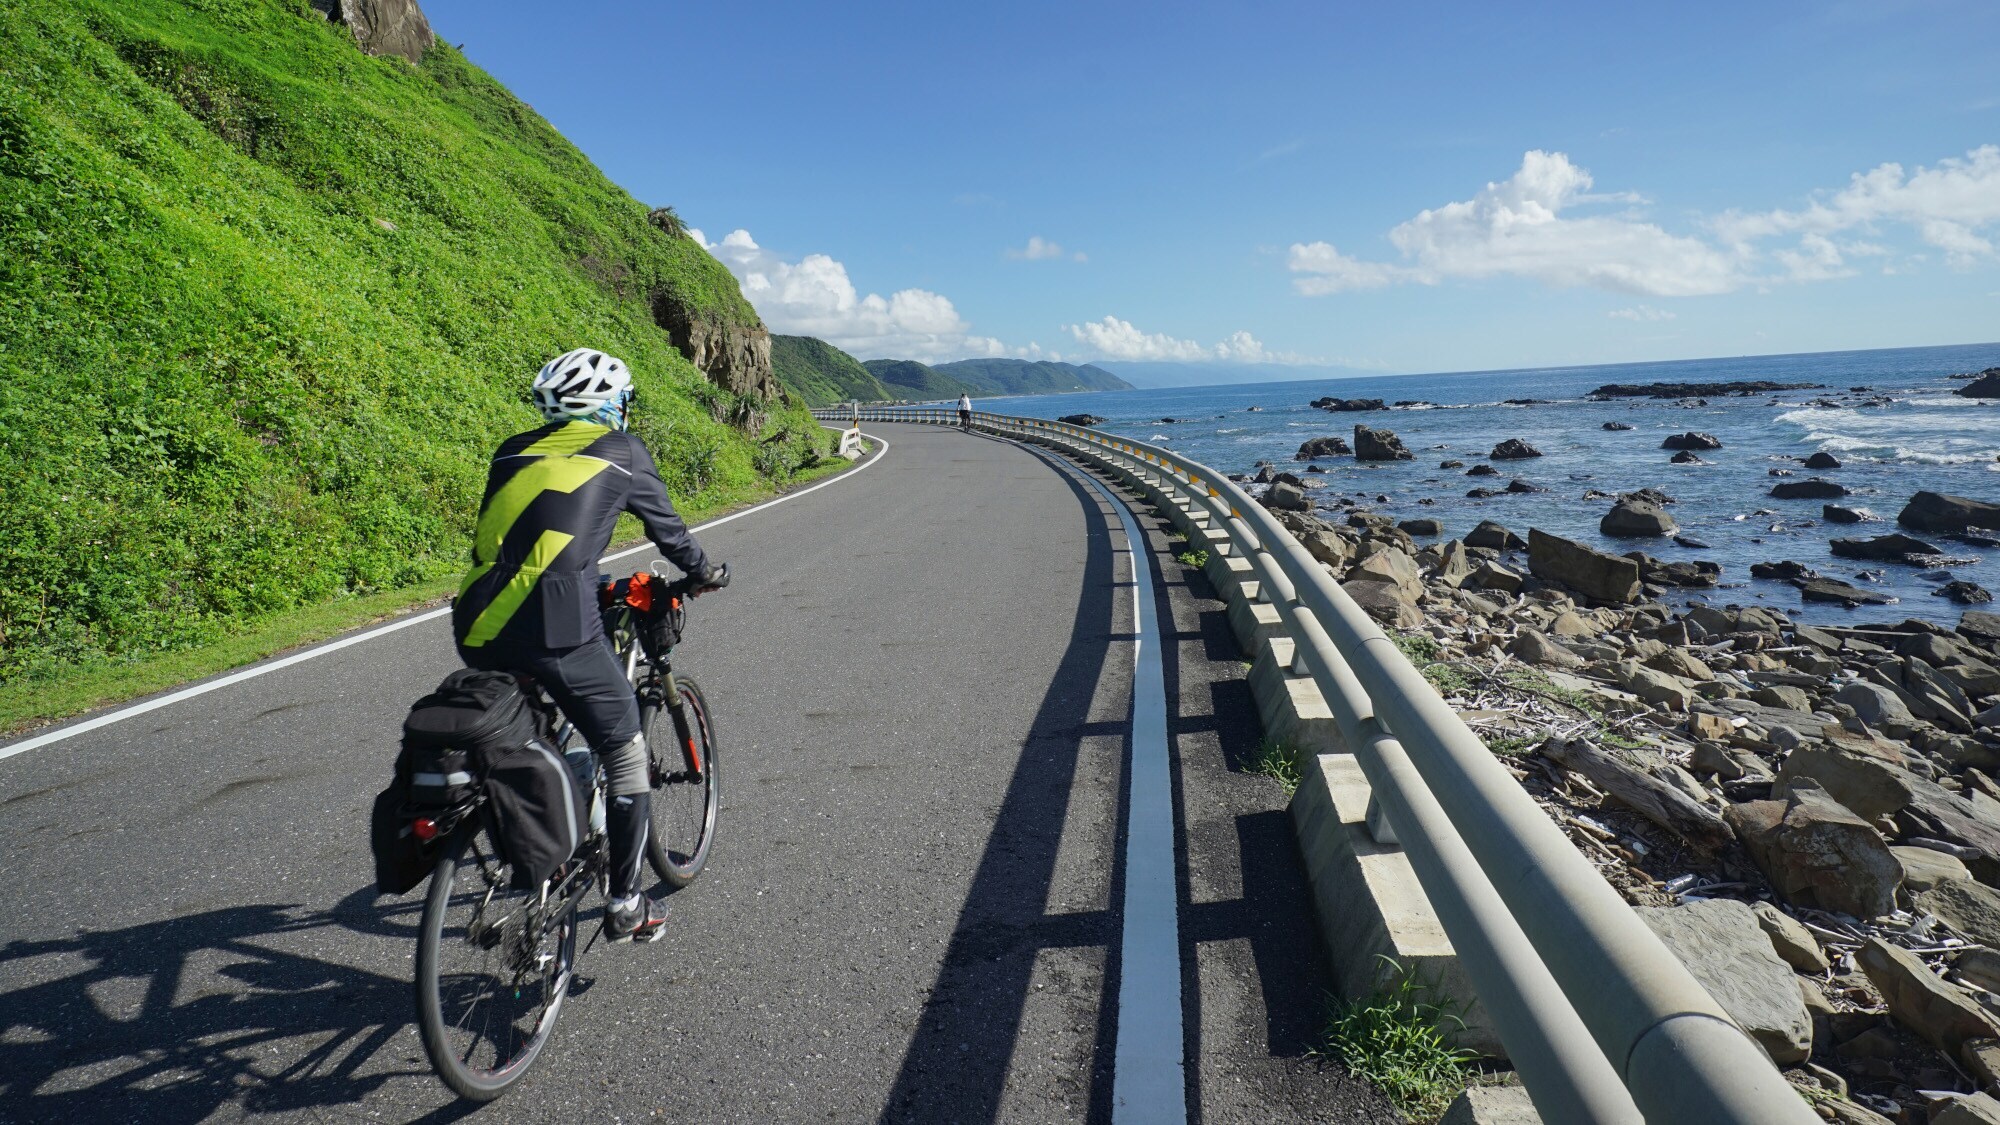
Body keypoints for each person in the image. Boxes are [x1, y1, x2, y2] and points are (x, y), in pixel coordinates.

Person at [453, 347, 728, 943]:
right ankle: (626, 903)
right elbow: (672, 535)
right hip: (558, 629)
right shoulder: (623, 452)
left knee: (536, 732)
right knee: (626, 750)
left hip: (477, 622)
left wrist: (594, 581)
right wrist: (704, 572)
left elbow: (524, 544)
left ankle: (550, 819)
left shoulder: (511, 449)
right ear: (610, 404)